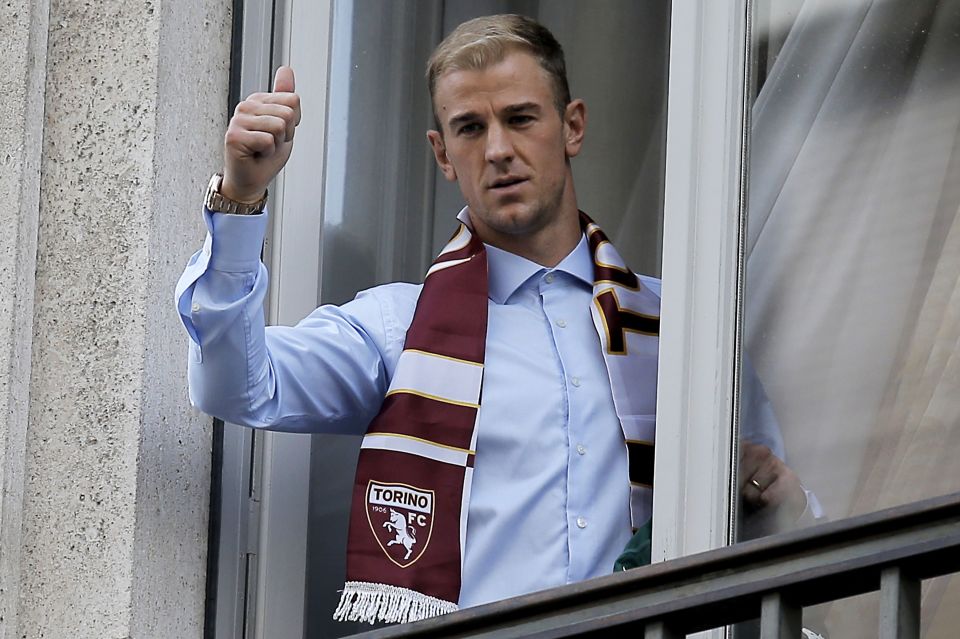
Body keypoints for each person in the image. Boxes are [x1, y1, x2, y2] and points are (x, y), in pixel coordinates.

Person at [176, 14, 811, 626]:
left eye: (520, 118)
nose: (500, 149)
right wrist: (240, 198)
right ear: (443, 154)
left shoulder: (685, 329)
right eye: (471, 128)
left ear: (573, 127)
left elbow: (782, 523)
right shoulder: (401, 327)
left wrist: (778, 499)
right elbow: (235, 385)